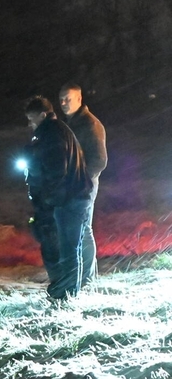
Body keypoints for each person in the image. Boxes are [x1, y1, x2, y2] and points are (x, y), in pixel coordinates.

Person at [22, 96, 92, 300]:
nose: (30, 123)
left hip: (69, 199)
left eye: (32, 118)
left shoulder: (52, 134)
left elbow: (56, 171)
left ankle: (68, 296)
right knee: (66, 248)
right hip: (70, 197)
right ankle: (65, 292)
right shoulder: (54, 131)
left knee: (69, 249)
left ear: (43, 115)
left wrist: (47, 201)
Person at [59, 83, 107, 285]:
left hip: (84, 184)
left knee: (83, 229)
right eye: (61, 99)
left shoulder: (89, 124)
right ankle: (86, 277)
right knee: (80, 229)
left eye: (67, 99)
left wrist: (81, 180)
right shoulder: (70, 123)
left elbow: (99, 160)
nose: (63, 103)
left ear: (79, 99)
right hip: (75, 183)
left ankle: (87, 280)